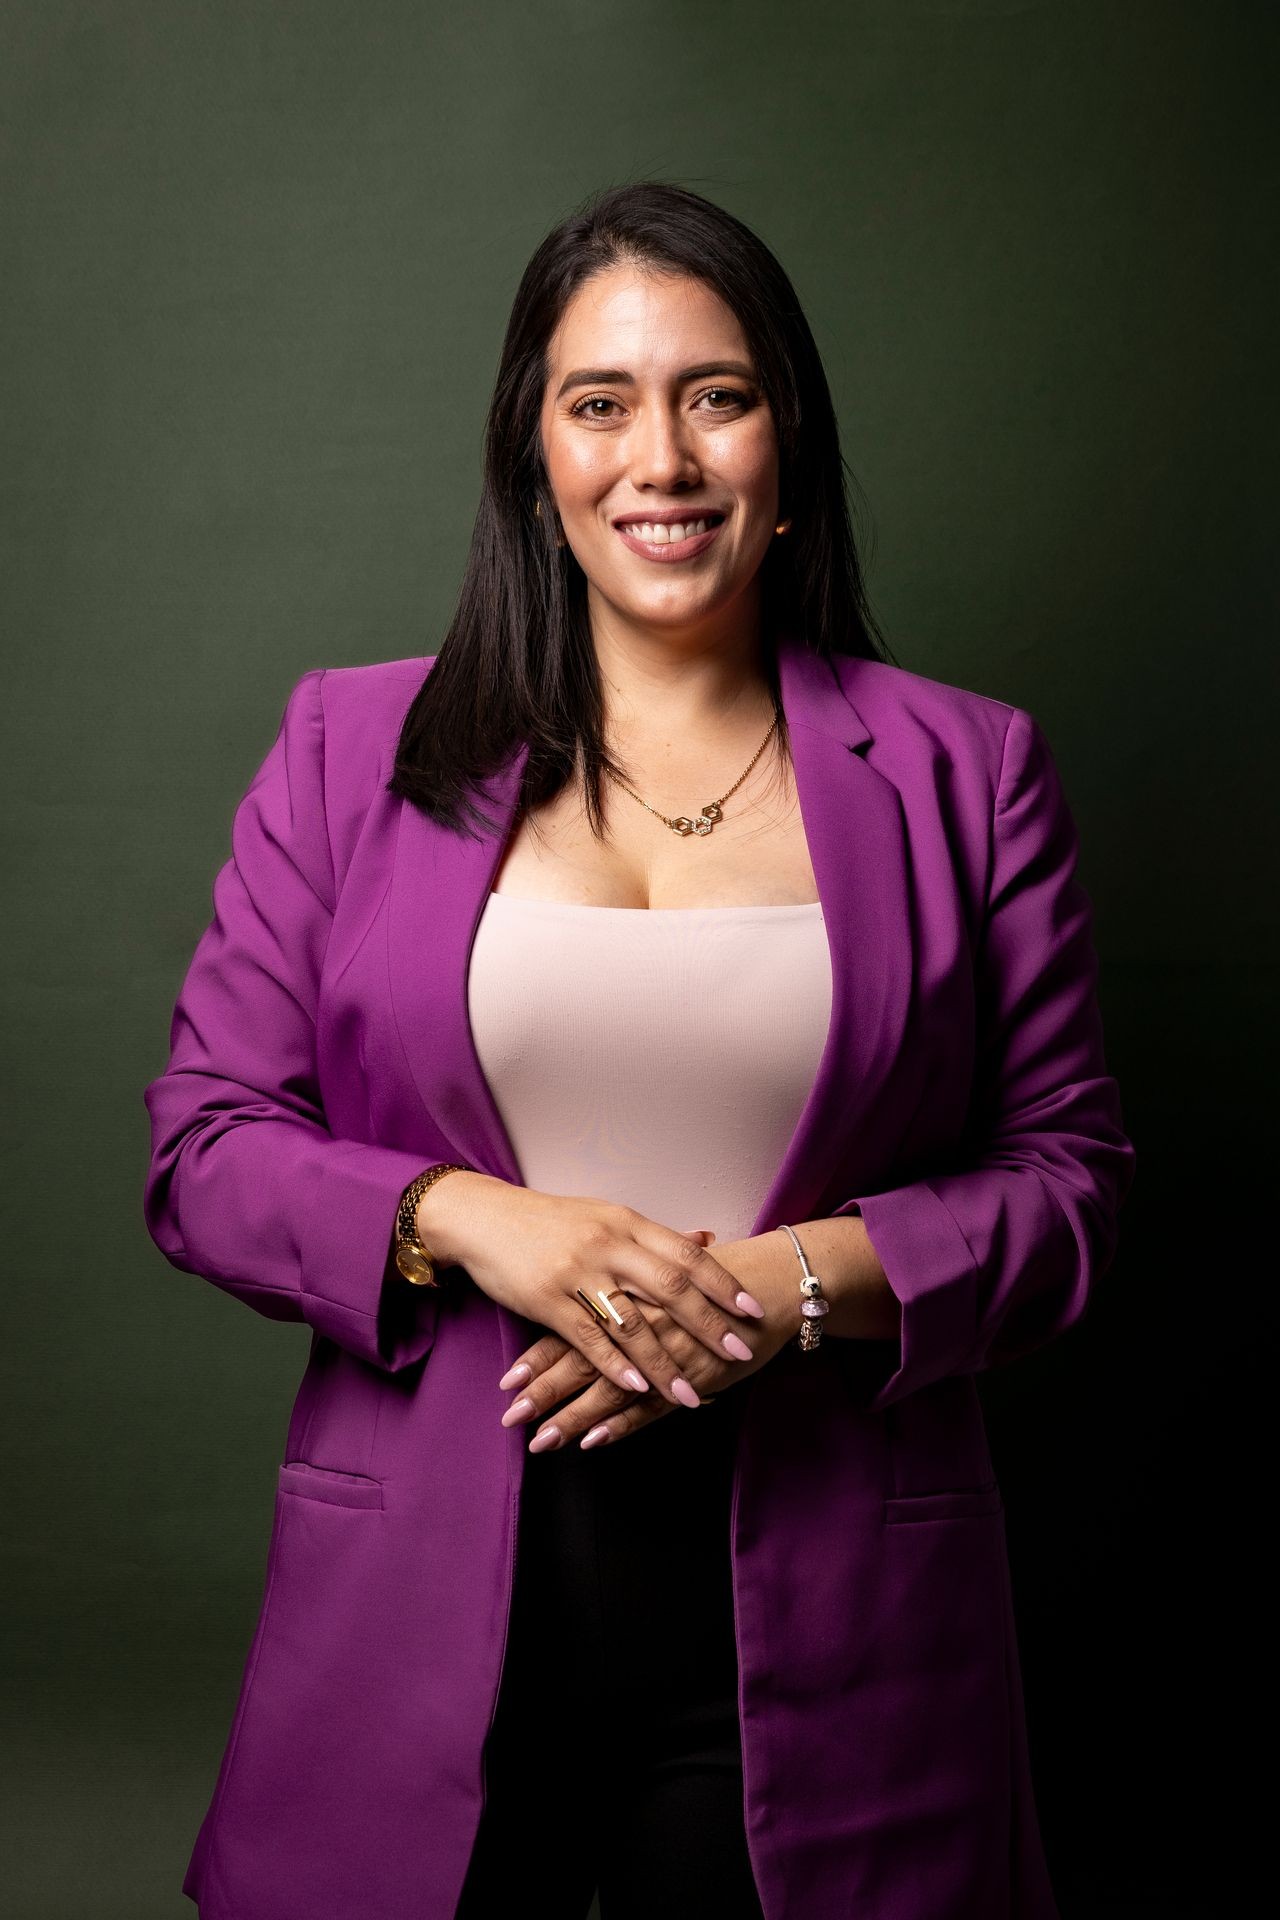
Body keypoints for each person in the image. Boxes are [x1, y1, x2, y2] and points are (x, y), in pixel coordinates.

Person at [142, 182, 1136, 1920]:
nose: (658, 458)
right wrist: (468, 1216)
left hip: (842, 1632)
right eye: (599, 403)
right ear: (533, 453)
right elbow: (204, 1148)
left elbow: (1068, 1191)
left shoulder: (968, 772)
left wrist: (778, 1291)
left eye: (716, 395)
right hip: (417, 1623)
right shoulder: (344, 745)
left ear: (788, 438)